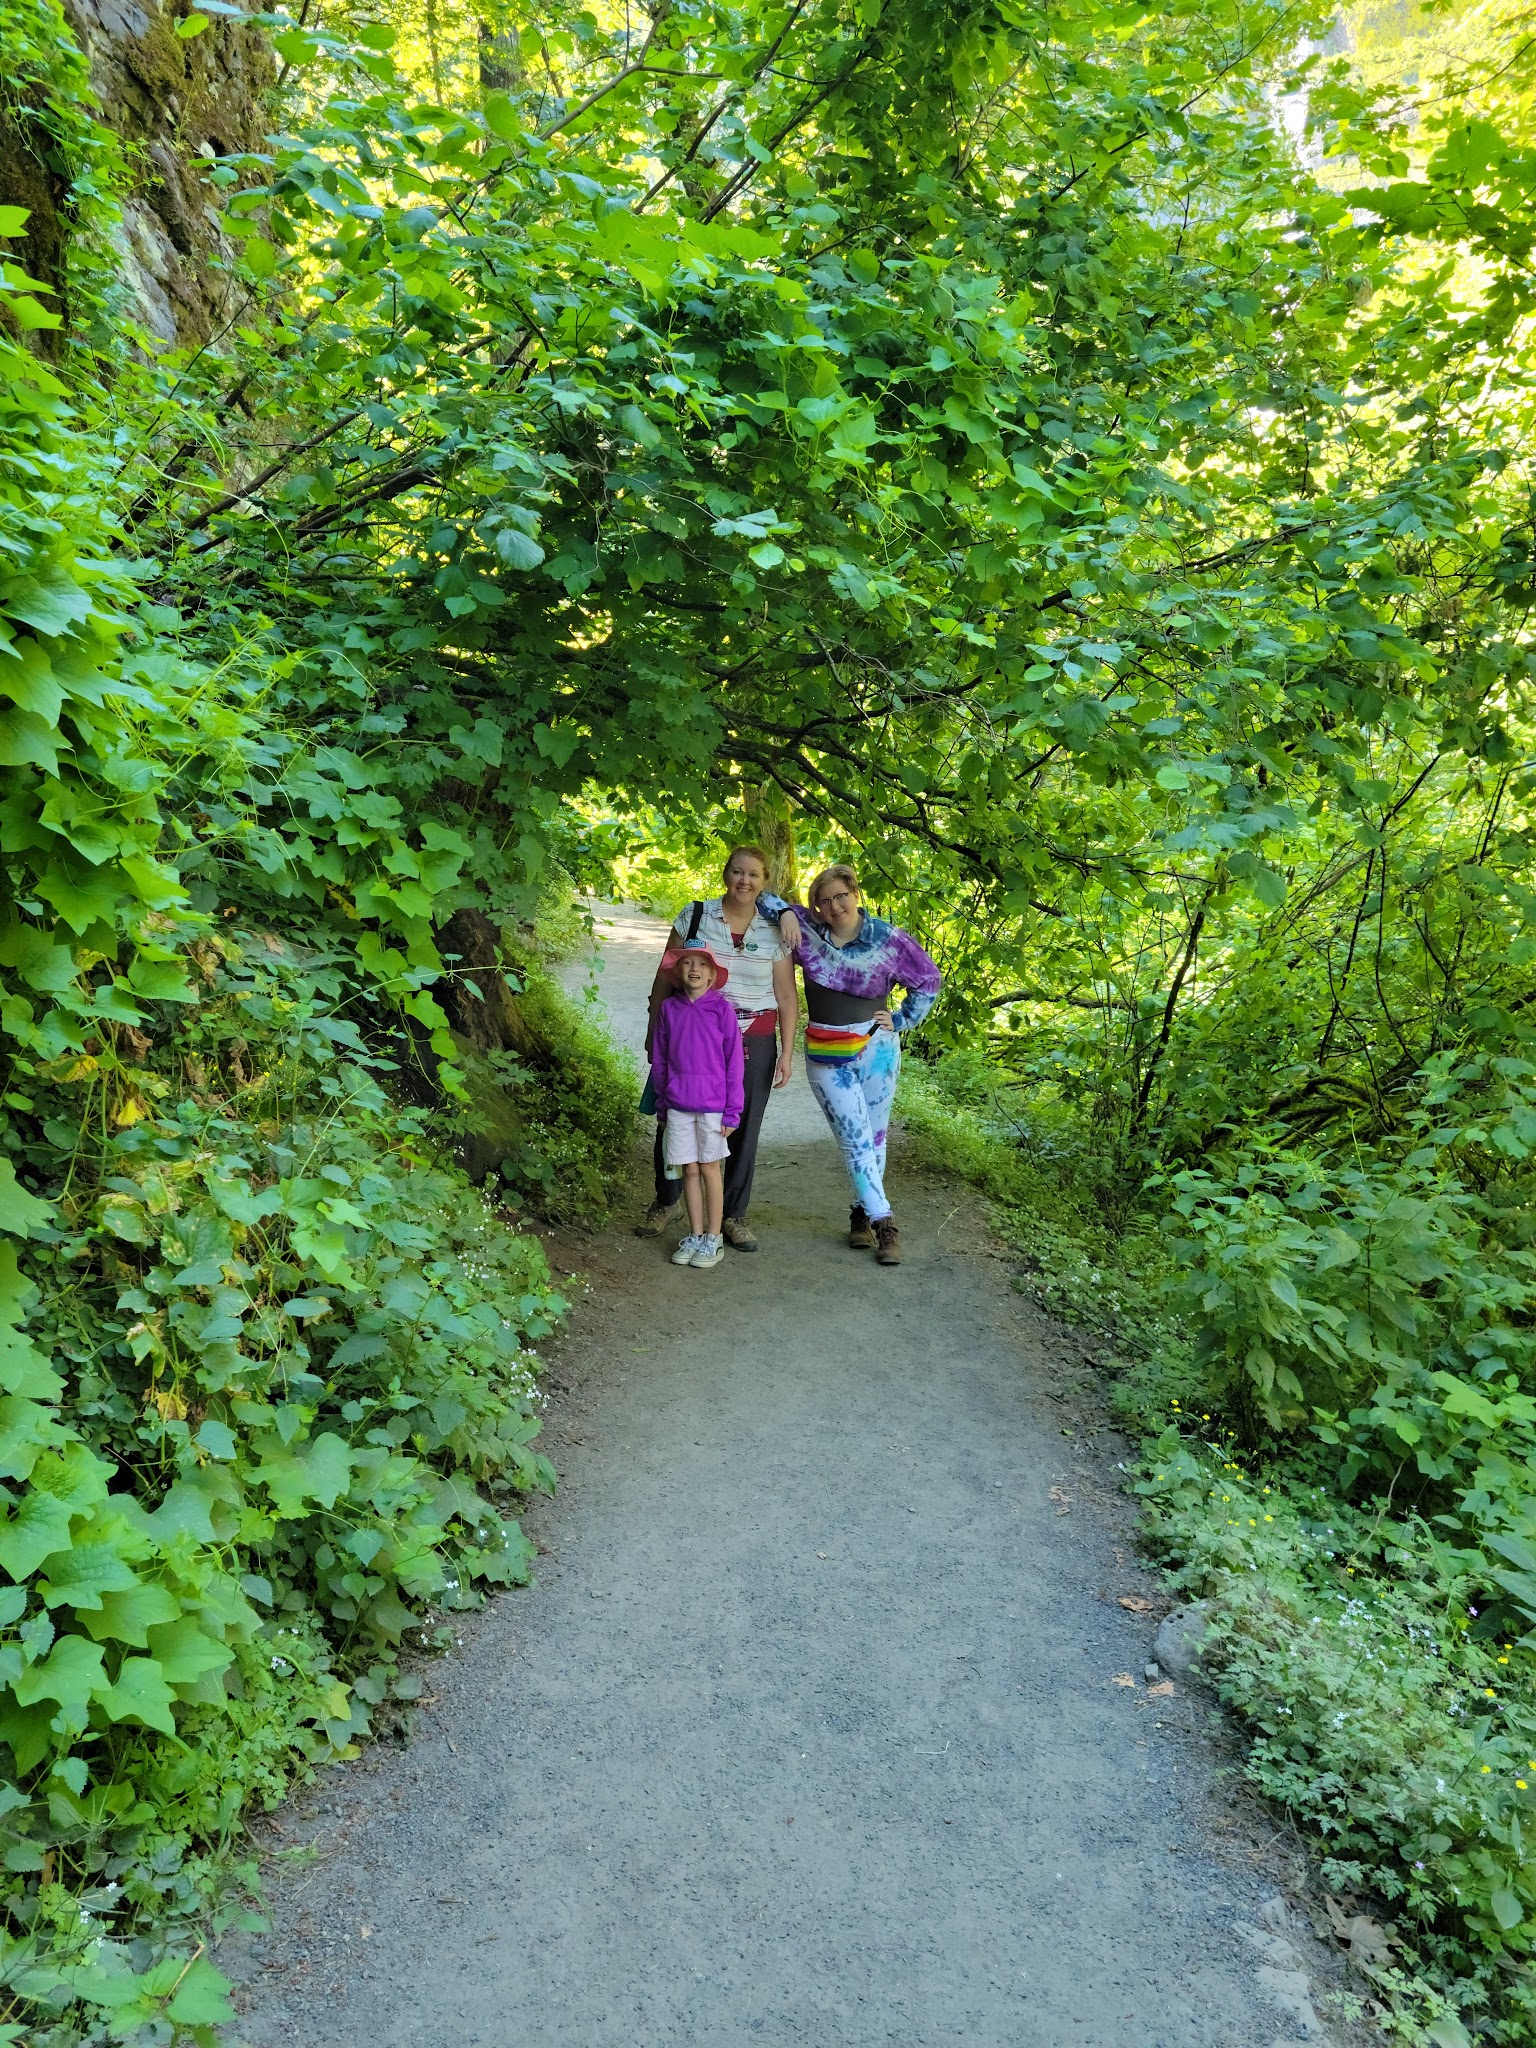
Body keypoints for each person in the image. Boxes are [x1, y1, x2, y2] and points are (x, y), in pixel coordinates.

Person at [763, 865, 941, 1267]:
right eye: (823, 901)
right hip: (826, 1050)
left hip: (877, 1047)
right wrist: (788, 913)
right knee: (854, 1140)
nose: (833, 906)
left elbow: (928, 979)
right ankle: (885, 1223)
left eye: (841, 896)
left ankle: (861, 1214)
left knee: (875, 1139)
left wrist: (902, 1018)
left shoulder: (887, 938)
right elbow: (762, 897)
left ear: (855, 892)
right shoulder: (807, 928)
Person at [636, 846, 798, 1250]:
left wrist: (787, 1052)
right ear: (726, 874)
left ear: (764, 882)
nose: (744, 881)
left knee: (742, 1125)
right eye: (737, 872)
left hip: (755, 1037)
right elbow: (664, 975)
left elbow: (786, 996)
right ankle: (666, 1200)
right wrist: (654, 1027)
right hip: (692, 1037)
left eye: (754, 875)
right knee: (674, 1113)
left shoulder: (774, 928)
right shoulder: (695, 915)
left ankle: (733, 1215)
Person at [649, 936, 744, 1271]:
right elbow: (660, 1060)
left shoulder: (721, 1010)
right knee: (687, 1168)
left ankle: (714, 1238)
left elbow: (734, 1062)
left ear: (712, 975)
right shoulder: (669, 1010)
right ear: (678, 970)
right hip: (677, 1105)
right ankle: (696, 1234)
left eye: (702, 963)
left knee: (708, 1168)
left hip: (713, 1106)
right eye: (688, 962)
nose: (695, 968)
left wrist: (733, 1110)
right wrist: (662, 1104)